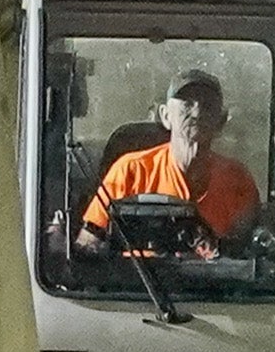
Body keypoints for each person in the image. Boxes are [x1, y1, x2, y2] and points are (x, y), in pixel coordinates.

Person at [77, 70, 260, 253]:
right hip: (136, 281)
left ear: (220, 121)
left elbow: (251, 252)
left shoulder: (238, 180)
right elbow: (89, 241)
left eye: (208, 105)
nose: (197, 112)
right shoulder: (130, 171)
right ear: (165, 116)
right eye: (187, 104)